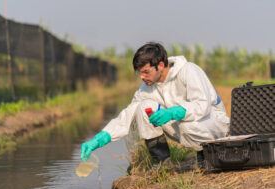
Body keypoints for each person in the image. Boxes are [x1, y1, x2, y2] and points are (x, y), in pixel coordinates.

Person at [80, 42, 230, 166]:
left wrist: (174, 112)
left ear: (160, 65)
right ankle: (162, 163)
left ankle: (205, 155)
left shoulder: (188, 71)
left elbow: (202, 105)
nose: (142, 77)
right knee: (142, 108)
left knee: (188, 124)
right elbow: (126, 117)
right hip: (185, 127)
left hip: (212, 123)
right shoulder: (147, 88)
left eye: (145, 71)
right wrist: (99, 139)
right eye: (139, 72)